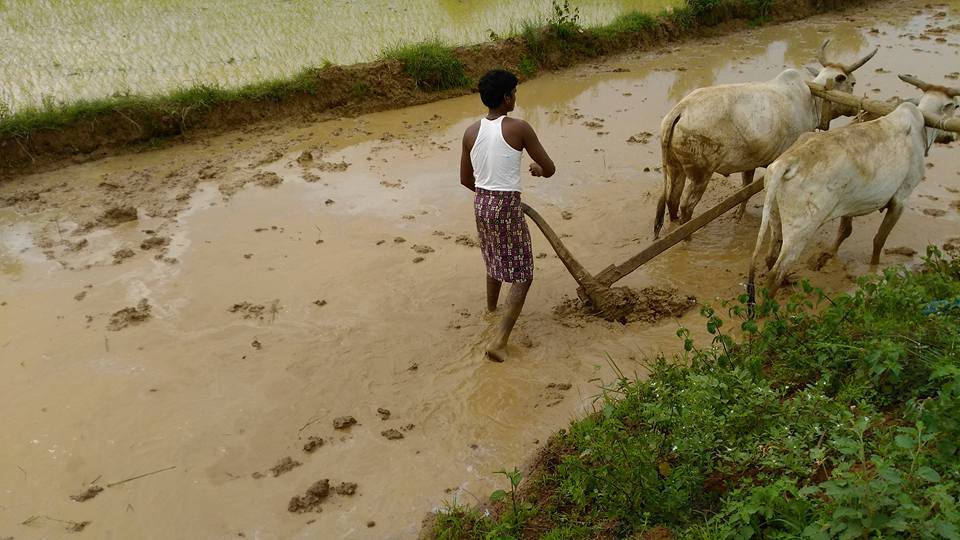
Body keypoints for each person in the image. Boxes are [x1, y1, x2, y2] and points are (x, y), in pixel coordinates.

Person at [459, 70, 556, 362]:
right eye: (514, 92)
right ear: (506, 97)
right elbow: (548, 167)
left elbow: (466, 179)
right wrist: (537, 171)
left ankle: (491, 311)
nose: (515, 96)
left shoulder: (471, 131)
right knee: (523, 273)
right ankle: (499, 340)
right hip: (505, 206)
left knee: (493, 258)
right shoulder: (519, 128)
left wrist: (489, 192)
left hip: (482, 204)